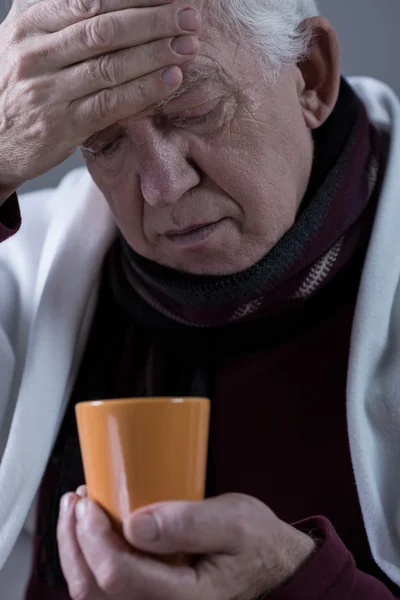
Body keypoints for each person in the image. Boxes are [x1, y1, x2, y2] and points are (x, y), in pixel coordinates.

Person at [0, 0, 400, 598]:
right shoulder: (31, 270)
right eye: (105, 143)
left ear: (311, 76)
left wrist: (307, 587)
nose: (162, 188)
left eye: (195, 111)